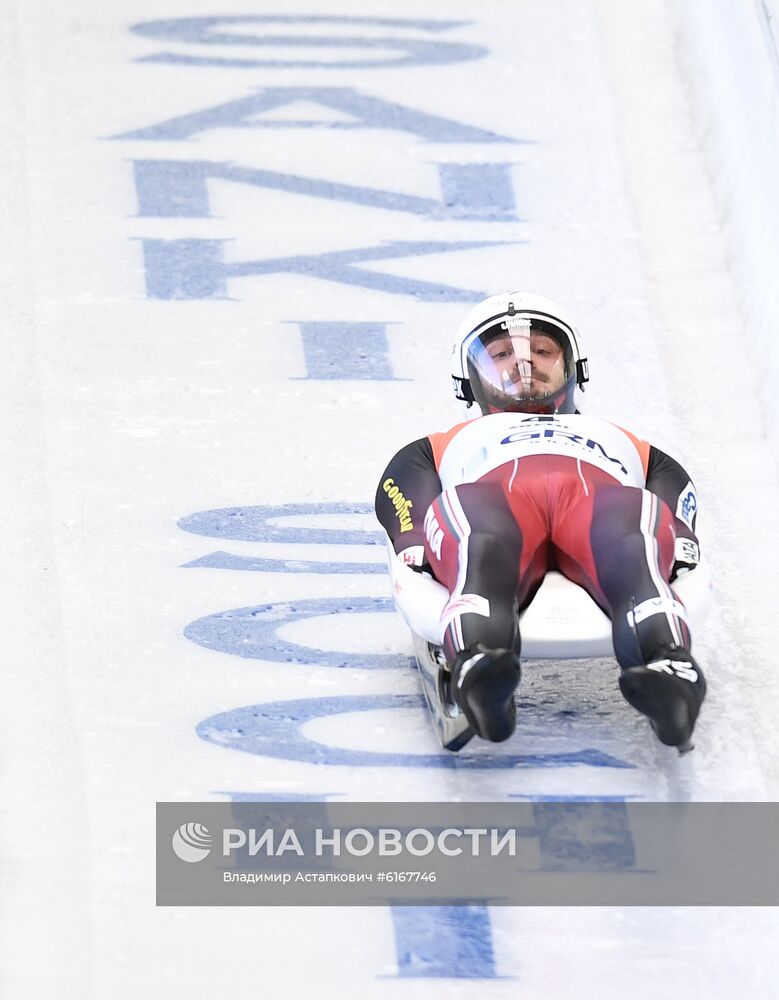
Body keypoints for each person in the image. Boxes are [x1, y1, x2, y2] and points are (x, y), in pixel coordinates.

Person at [375, 291, 706, 749]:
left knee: (631, 532)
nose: (523, 365)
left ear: (573, 367)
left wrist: (683, 540)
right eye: (501, 355)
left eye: (543, 351)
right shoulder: (441, 443)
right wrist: (413, 541)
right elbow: (400, 487)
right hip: (495, 501)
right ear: (469, 378)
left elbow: (673, 485)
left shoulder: (621, 438)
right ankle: (480, 665)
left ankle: (669, 670)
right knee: (480, 533)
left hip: (597, 502)